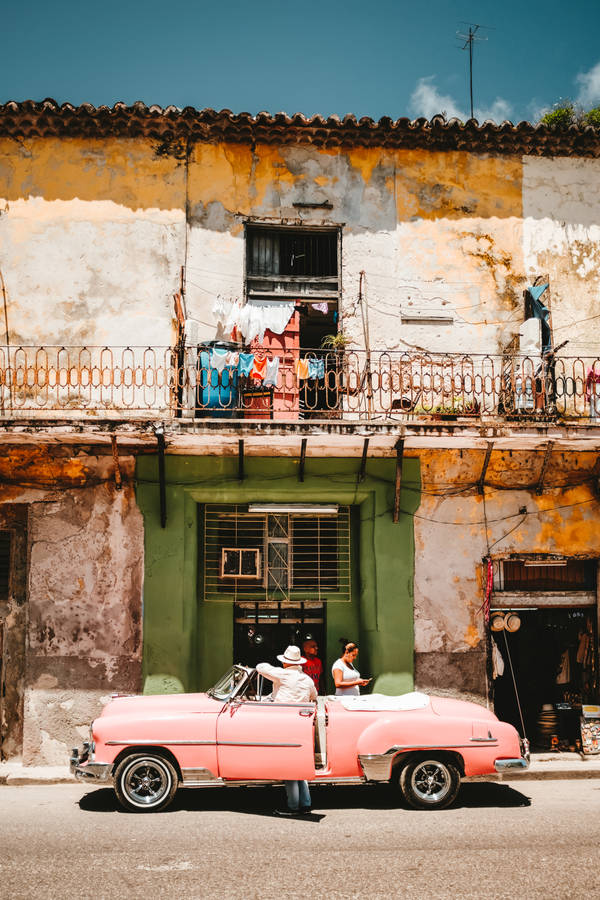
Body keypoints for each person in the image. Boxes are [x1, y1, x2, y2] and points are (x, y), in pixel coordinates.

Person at [256, 645, 317, 817]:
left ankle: (292, 806)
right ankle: (305, 803)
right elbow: (314, 696)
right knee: (299, 765)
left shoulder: (281, 674)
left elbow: (261, 667)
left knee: (288, 767)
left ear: (284, 662)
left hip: (283, 723)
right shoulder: (307, 680)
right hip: (302, 723)